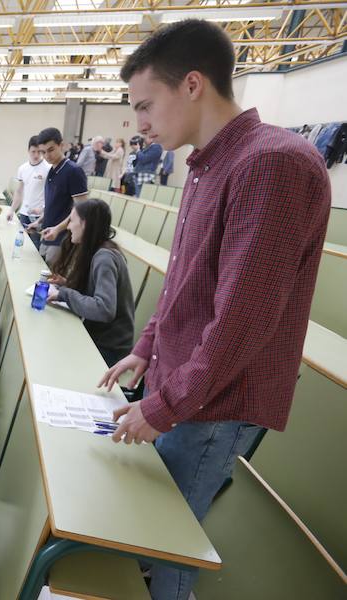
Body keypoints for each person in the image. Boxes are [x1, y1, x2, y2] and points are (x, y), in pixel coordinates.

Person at [99, 20, 331, 600]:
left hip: (216, 401)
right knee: (161, 535)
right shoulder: (207, 164)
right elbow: (185, 278)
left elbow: (242, 324)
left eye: (146, 105)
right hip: (188, 386)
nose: (140, 124)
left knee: (170, 544)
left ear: (193, 85)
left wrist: (164, 405)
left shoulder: (272, 164)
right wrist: (147, 348)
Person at [46, 199, 135, 367]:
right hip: (101, 338)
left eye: (72, 220)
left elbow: (104, 309)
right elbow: (95, 294)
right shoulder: (99, 250)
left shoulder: (104, 257)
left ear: (85, 223)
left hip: (108, 348)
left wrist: (64, 293)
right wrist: (66, 284)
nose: (69, 226)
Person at [25, 127, 90, 263]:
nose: (47, 156)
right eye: (43, 152)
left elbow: (82, 209)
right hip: (48, 234)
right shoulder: (51, 170)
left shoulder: (73, 171)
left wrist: (58, 229)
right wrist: (39, 221)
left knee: (52, 279)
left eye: (51, 149)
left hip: (63, 238)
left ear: (62, 145)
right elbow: (53, 205)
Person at [8, 135, 50, 243]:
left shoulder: (48, 168)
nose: (36, 155)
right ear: (28, 150)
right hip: (24, 213)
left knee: (35, 247)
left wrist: (43, 209)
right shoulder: (22, 168)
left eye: (39, 152)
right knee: (22, 243)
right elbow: (19, 191)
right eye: (33, 151)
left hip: (39, 216)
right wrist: (12, 210)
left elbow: (52, 193)